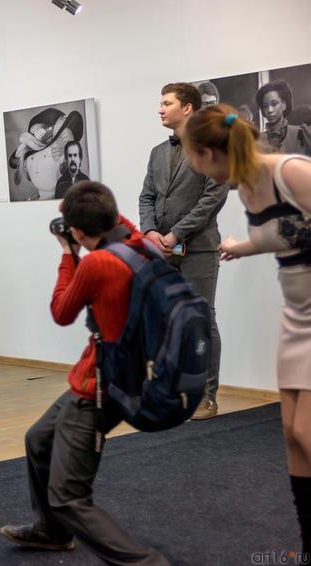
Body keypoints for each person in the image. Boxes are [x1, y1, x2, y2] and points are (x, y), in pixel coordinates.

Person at [0, 181, 170, 565]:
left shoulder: (97, 263)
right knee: (39, 439)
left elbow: (62, 312)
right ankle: (52, 532)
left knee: (68, 497)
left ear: (77, 231)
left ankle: (146, 563)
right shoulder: (143, 245)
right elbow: (118, 221)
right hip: (126, 374)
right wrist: (83, 205)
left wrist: (66, 252)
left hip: (101, 386)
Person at [183, 104, 311, 556]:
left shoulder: (291, 170)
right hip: (297, 317)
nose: (191, 166)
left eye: (190, 157)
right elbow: (283, 233)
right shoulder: (245, 188)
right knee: (293, 435)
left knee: (309, 433)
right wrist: (241, 247)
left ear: (206, 153)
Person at [138, 82, 229, 419]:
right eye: (160, 103)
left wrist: (176, 232)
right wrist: (150, 231)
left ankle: (207, 396)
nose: (160, 109)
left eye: (167, 103)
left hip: (198, 249)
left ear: (188, 108)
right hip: (162, 251)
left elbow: (213, 199)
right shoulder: (157, 153)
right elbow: (147, 195)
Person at [256, 80, 311, 156]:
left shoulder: (301, 133)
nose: (269, 110)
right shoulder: (259, 140)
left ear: (284, 105)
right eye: (265, 106)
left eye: (274, 104)